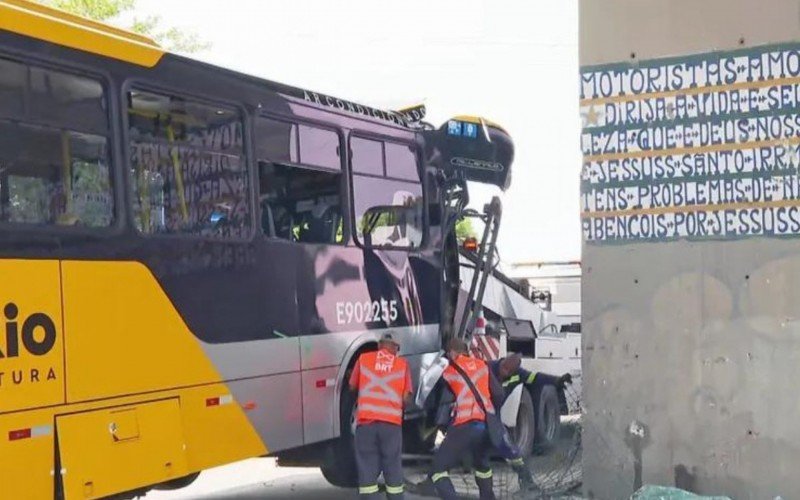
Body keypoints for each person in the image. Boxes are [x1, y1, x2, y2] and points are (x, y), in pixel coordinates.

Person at [429, 338, 504, 500]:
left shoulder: (450, 370)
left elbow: (439, 396)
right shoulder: (483, 366)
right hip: (485, 427)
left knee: (438, 470)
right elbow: (499, 394)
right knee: (482, 466)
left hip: (464, 425)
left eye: (449, 354)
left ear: (453, 353)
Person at [490, 354, 573, 493]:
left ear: (515, 371)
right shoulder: (487, 368)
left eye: (509, 372)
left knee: (514, 454)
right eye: (504, 369)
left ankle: (527, 484)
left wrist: (556, 380)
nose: (505, 373)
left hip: (494, 422)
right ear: (501, 363)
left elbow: (536, 378)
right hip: (481, 418)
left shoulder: (517, 374)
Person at [349, 332, 413, 499]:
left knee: (367, 469)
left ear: (379, 346)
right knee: (392, 467)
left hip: (366, 424)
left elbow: (351, 386)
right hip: (391, 426)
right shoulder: (402, 364)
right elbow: (407, 397)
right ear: (394, 348)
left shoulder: (363, 359)